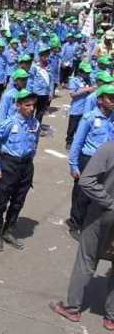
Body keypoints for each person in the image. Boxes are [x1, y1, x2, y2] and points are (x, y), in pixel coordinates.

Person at [51, 141, 114, 331]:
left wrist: (109, 202)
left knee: (86, 259)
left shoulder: (109, 148)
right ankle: (111, 318)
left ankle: (72, 308)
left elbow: (86, 180)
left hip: (103, 214)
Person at [0, 89, 40, 251]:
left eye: (32, 105)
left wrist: (29, 160)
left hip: (26, 166)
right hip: (8, 165)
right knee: (1, 201)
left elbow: (34, 143)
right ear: (18, 106)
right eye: (27, 105)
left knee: (18, 202)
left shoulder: (35, 123)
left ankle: (8, 230)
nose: (31, 108)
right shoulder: (10, 123)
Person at [66, 84, 114, 239]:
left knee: (102, 193)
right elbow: (77, 142)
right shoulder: (90, 118)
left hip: (107, 162)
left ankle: (92, 223)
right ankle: (75, 224)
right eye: (110, 98)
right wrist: (74, 164)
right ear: (100, 100)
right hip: (88, 160)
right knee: (82, 194)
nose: (113, 101)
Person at [66, 62, 96, 150]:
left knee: (83, 128)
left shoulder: (89, 80)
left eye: (88, 73)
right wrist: (86, 90)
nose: (88, 74)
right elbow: (72, 94)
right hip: (76, 108)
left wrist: (92, 89)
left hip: (87, 108)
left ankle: (80, 143)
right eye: (86, 73)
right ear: (80, 72)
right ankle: (69, 141)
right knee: (72, 127)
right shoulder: (74, 80)